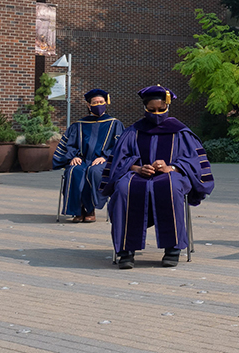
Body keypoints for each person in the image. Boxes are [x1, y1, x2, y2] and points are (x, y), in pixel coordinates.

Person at [102, 85, 214, 269]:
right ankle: (126, 251)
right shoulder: (133, 131)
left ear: (167, 107)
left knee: (170, 187)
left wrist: (172, 167)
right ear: (144, 108)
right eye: (151, 110)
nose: (156, 114)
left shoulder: (180, 131)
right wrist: (137, 168)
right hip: (137, 175)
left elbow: (194, 162)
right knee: (124, 188)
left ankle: (173, 249)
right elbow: (119, 161)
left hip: (172, 175)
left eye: (161, 109)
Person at [52, 88, 123, 223]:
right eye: (95, 102)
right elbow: (70, 144)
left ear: (106, 103)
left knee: (94, 171)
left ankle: (90, 209)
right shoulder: (79, 125)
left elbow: (119, 145)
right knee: (74, 170)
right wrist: (74, 156)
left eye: (101, 102)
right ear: (89, 105)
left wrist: (105, 157)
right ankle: (77, 210)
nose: (98, 105)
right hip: (82, 159)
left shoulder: (114, 124)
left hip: (103, 160)